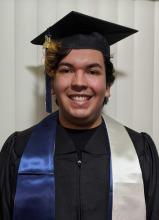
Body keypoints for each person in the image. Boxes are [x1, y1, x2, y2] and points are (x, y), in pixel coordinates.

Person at [0, 11, 159, 220]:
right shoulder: (19, 151)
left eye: (92, 71)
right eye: (66, 70)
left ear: (108, 86)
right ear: (52, 85)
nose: (79, 82)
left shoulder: (139, 152)